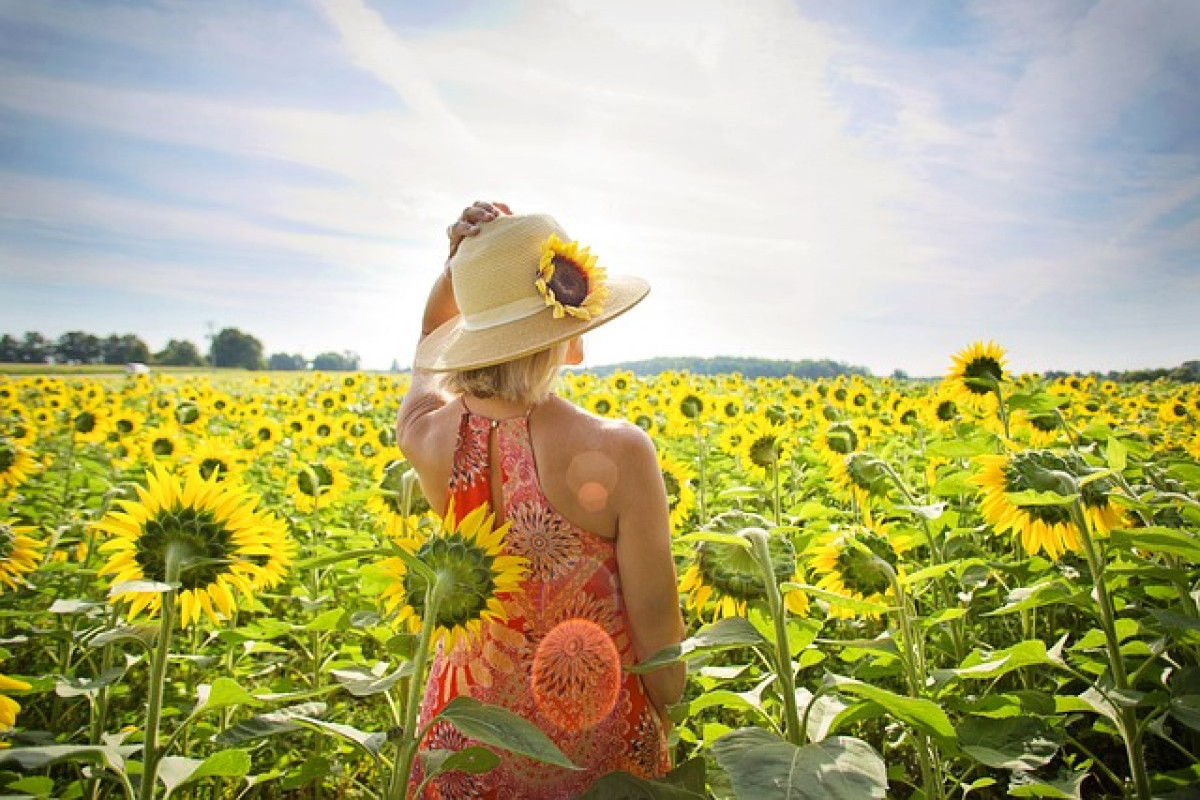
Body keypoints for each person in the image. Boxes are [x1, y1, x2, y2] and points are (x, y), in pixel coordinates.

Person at [396, 201, 686, 798]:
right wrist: (668, 721)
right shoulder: (622, 452)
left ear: (469, 335)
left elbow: (427, 348)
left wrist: (458, 273)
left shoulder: (427, 437)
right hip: (592, 739)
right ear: (569, 336)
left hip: (465, 740)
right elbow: (658, 630)